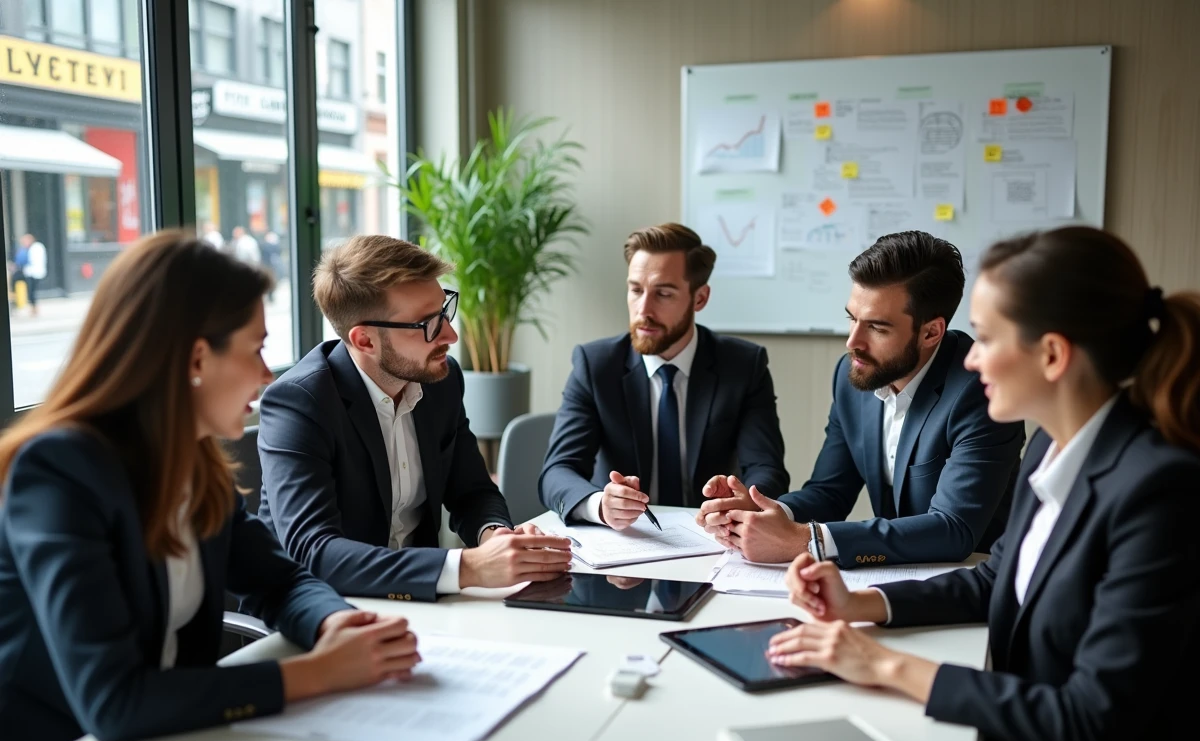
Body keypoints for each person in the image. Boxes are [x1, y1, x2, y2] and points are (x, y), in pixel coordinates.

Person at [768, 227, 1200, 741]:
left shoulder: (1159, 490)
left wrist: (886, 666)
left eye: (988, 337)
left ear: (1051, 355)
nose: (969, 357)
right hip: (1013, 738)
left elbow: (1091, 724)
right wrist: (861, 603)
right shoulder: (1053, 444)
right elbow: (997, 580)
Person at [0, 230, 420, 741]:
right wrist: (319, 674)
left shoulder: (193, 464)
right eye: (255, 349)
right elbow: (113, 702)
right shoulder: (59, 472)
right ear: (197, 357)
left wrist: (335, 625)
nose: (269, 375)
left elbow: (280, 581)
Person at [255, 235, 572, 602]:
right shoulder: (301, 402)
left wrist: (493, 535)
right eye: (428, 324)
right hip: (321, 611)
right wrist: (469, 567)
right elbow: (314, 552)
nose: (451, 335)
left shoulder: (440, 379)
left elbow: (472, 491)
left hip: (420, 604)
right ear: (365, 341)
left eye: (445, 310)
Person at [698, 231, 1024, 565]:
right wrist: (770, 511)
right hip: (895, 573)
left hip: (978, 576)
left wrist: (805, 541)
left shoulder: (982, 391)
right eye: (852, 319)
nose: (853, 342)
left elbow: (953, 529)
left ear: (931, 332)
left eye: (877, 328)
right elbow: (830, 490)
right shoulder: (853, 375)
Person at [539, 222, 789, 530]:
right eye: (636, 290)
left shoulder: (743, 365)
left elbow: (768, 469)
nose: (644, 309)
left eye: (664, 294)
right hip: (625, 545)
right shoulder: (595, 365)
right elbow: (557, 471)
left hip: (711, 540)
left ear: (699, 298)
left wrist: (742, 501)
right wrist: (600, 506)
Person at [14, 233, 46, 316]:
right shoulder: (32, 248)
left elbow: (29, 261)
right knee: (31, 291)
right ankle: (33, 308)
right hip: (32, 272)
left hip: (33, 273)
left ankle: (34, 309)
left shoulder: (35, 248)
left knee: (32, 291)